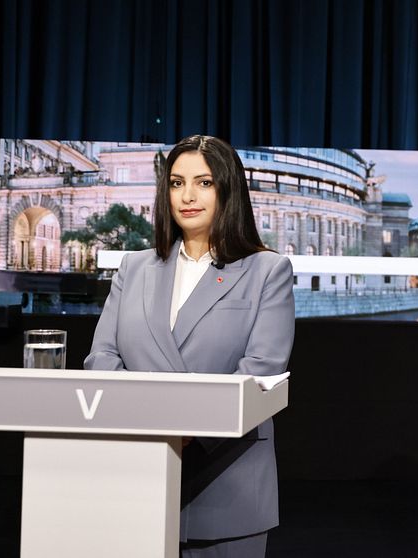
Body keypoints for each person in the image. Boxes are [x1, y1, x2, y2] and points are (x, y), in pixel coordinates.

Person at [85, 135, 294, 557]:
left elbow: (261, 370)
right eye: (177, 183)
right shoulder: (134, 267)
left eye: (204, 182)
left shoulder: (267, 269)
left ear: (228, 190)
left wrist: (184, 428)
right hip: (137, 474)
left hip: (226, 482)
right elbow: (102, 359)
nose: (188, 196)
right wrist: (154, 424)